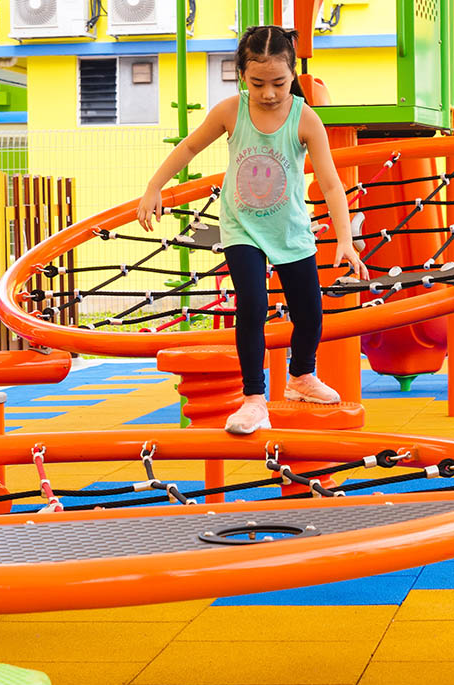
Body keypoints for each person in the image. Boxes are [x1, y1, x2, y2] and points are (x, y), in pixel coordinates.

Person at [137, 25, 367, 435]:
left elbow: (331, 183)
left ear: (293, 75)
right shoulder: (231, 111)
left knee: (310, 312)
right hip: (242, 227)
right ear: (242, 74)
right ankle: (254, 399)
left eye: (278, 82)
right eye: (257, 82)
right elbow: (189, 147)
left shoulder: (305, 118)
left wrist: (346, 240)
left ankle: (301, 377)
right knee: (252, 307)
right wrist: (154, 186)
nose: (269, 93)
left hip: (291, 229)